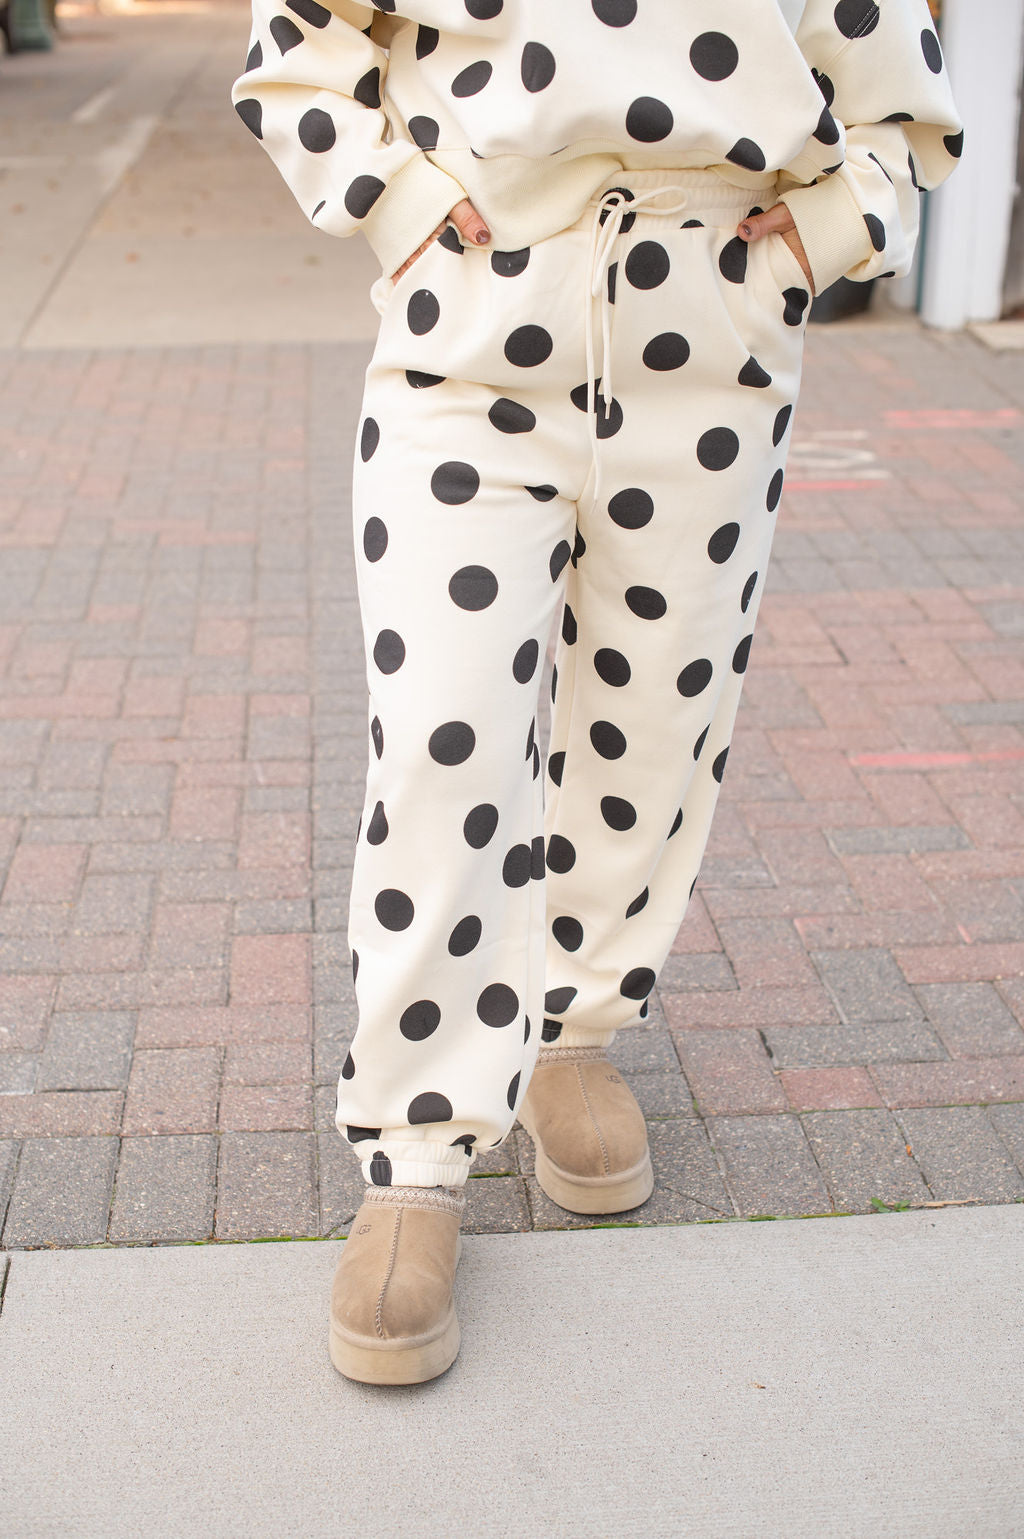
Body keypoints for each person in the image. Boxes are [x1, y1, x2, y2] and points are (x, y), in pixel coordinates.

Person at [231, 0, 962, 1386]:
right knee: (444, 740)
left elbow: (901, 100)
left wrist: (830, 230)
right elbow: (296, 47)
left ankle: (573, 1027)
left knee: (655, 731)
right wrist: (396, 202)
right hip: (470, 340)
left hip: (714, 348)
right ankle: (417, 1152)